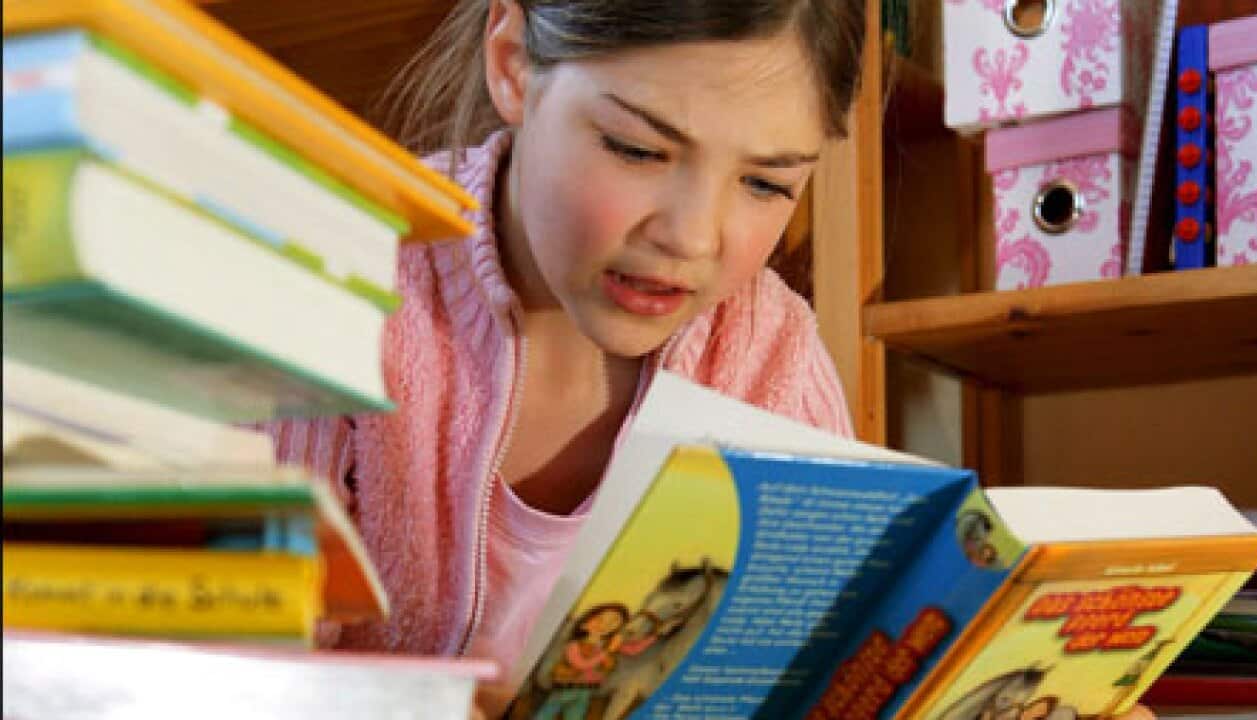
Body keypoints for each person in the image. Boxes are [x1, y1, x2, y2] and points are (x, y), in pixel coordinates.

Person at [264, 2, 1159, 718]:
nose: (691, 237)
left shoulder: (772, 350)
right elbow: (206, 669)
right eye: (637, 148)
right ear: (514, 64)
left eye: (767, 182)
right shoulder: (336, 284)